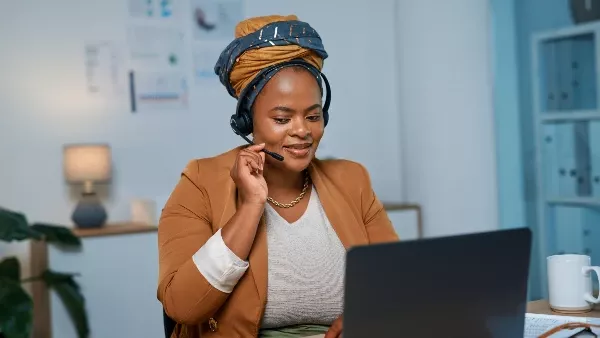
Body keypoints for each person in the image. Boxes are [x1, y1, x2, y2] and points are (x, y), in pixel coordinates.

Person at [157, 14, 399, 338]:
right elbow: (183, 306)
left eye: (313, 116)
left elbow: (397, 285)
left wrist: (364, 320)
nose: (302, 131)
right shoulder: (199, 182)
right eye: (282, 119)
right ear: (247, 122)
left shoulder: (351, 180)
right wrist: (250, 207)